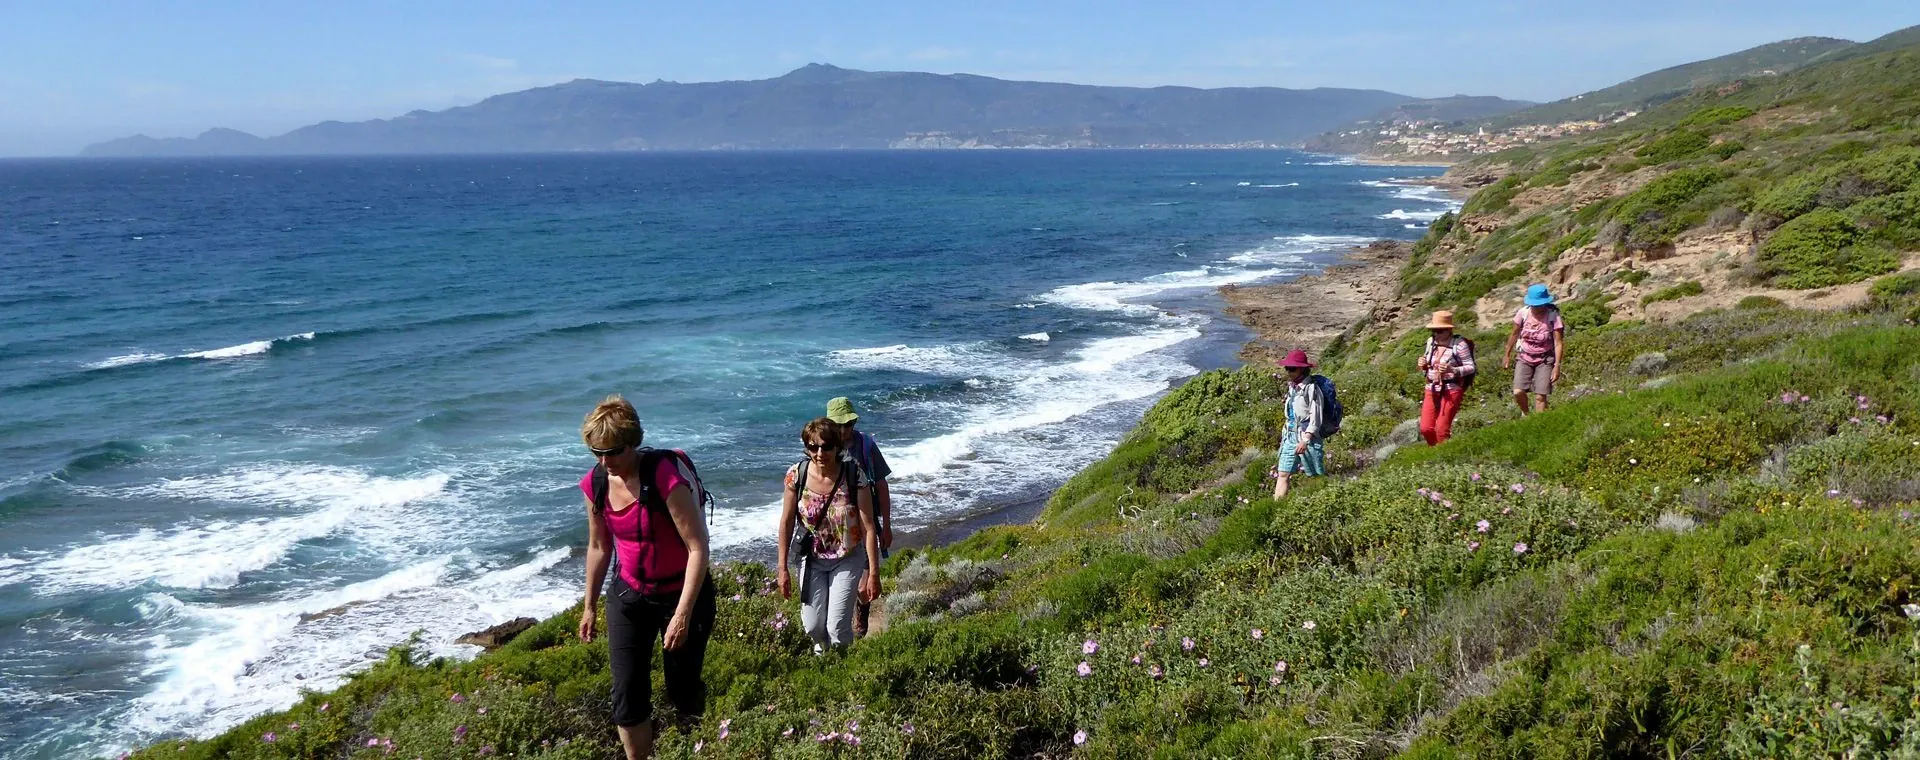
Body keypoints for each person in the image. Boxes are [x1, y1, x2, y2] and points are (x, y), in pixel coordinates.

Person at [575, 395, 715, 760]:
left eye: (613, 452)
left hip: (683, 595)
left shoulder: (665, 478)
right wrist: (589, 606)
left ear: (633, 442)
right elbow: (598, 547)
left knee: (682, 691)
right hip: (630, 595)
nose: (605, 461)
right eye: (596, 453)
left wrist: (682, 615)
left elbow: (698, 548)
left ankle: (693, 747)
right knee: (627, 695)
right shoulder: (597, 483)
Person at [776, 417, 881, 652]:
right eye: (813, 447)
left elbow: (868, 527)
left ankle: (841, 666)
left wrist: (873, 573)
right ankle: (823, 663)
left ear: (837, 447)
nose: (820, 453)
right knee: (813, 627)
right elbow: (786, 522)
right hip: (811, 560)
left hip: (847, 558)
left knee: (837, 628)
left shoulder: (854, 475)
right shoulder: (797, 475)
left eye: (826, 447)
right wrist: (782, 568)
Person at [825, 396, 893, 638]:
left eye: (848, 424)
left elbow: (881, 486)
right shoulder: (823, 448)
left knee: (863, 585)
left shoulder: (866, 446)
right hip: (834, 527)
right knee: (836, 580)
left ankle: (861, 616)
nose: (843, 431)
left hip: (865, 524)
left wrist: (887, 525)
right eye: (838, 425)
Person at [1502, 284, 1566, 415]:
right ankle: (1526, 414)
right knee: (1518, 392)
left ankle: (1539, 422)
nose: (1539, 307)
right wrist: (1507, 354)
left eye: (1541, 304)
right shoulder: (1523, 313)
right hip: (1524, 357)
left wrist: (1557, 366)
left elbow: (1558, 343)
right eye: (1536, 305)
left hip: (1545, 359)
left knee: (1540, 396)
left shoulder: (1553, 316)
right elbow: (1514, 334)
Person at [1271, 349, 1326, 501]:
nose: (1288, 372)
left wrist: (1305, 440)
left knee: (1315, 475)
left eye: (1292, 368)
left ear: (1302, 369)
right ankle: (1276, 507)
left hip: (1307, 438)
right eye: (1287, 368)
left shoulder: (1312, 389)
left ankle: (1320, 502)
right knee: (1283, 473)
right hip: (1290, 436)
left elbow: (1316, 418)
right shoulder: (1293, 387)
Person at [1416, 311, 1476, 446]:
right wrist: (1423, 364)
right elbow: (1428, 363)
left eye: (1439, 331)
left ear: (1449, 330)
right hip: (1432, 388)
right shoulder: (1431, 342)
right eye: (1434, 331)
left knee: (1442, 430)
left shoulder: (1459, 345)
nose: (1436, 334)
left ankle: (1443, 454)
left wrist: (1453, 370)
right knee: (1426, 428)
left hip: (1451, 390)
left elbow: (1471, 367)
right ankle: (1435, 451)